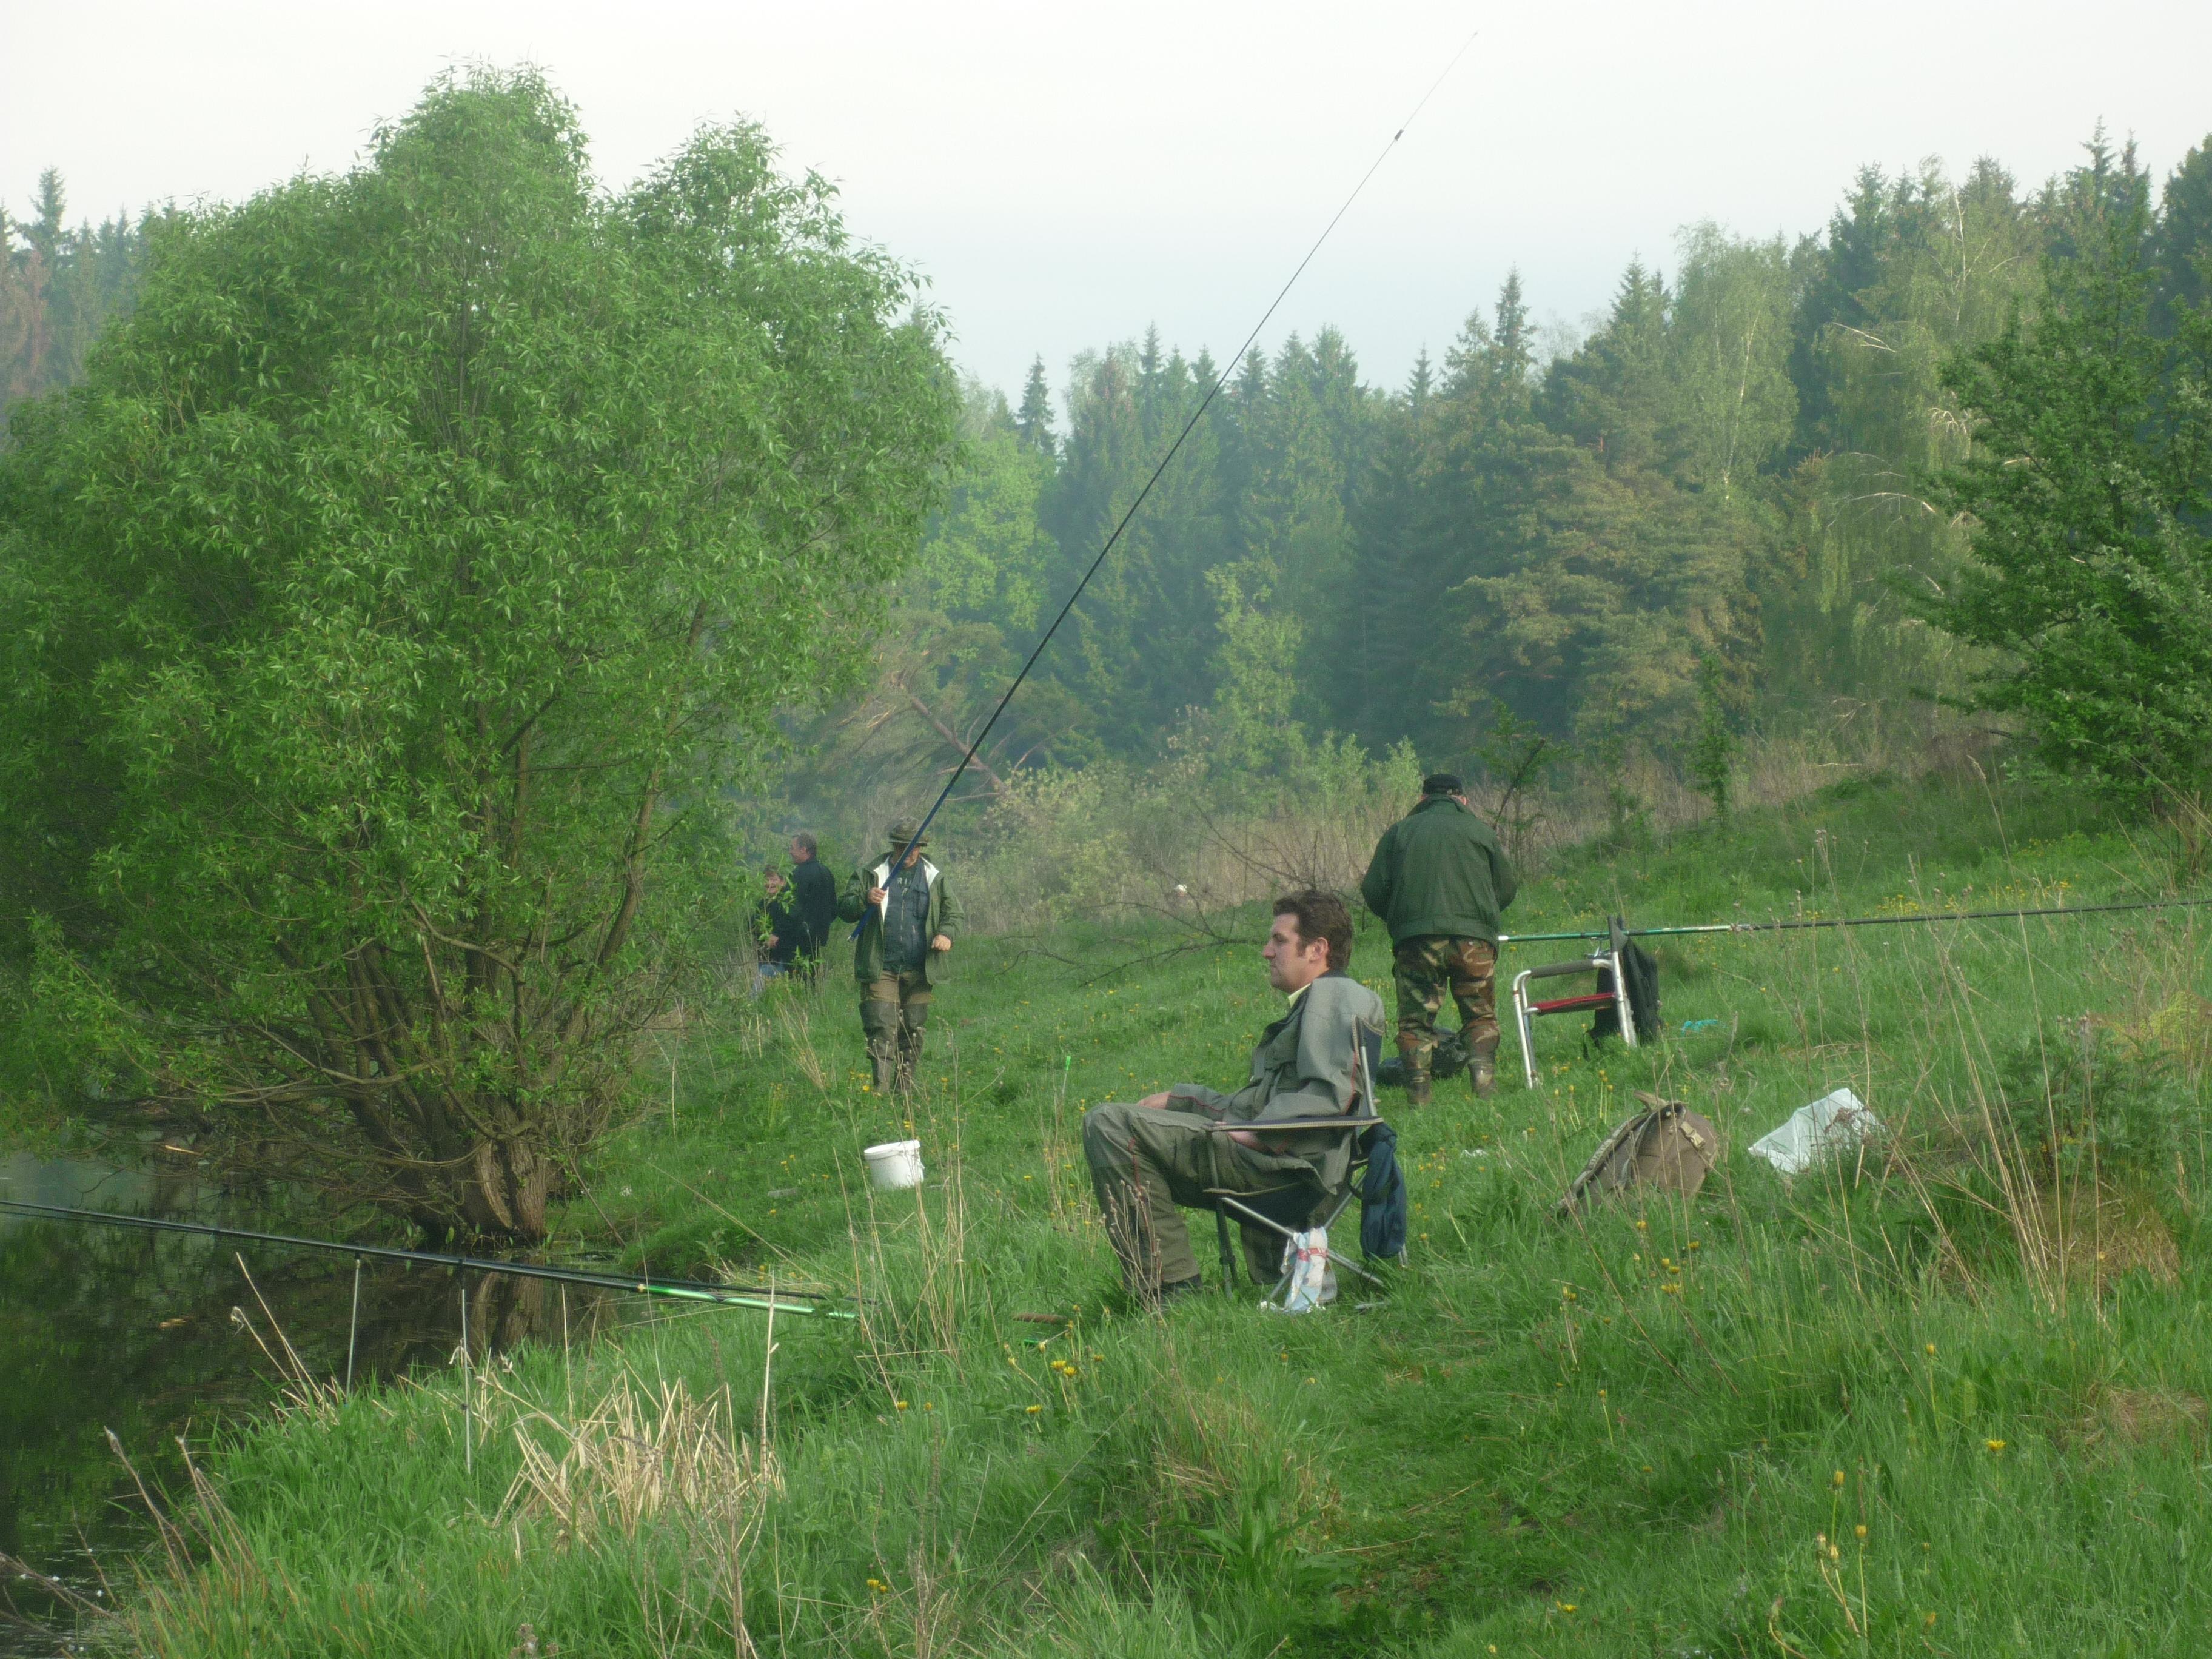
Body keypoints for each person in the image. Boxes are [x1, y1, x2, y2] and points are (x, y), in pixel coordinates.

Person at [1081, 890, 1384, 1305]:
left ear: (1317, 949)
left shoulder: (1336, 998)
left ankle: (1170, 1290)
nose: (1267, 951)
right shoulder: (1316, 1004)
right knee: (1124, 1122)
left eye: (1279, 941)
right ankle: (1170, 1284)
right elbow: (1254, 1106)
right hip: (1281, 1161)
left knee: (1109, 1124)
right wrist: (1181, 1100)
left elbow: (1330, 1097)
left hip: (1288, 1170)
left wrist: (1261, 1133)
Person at [1359, 772, 1518, 1104]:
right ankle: (1485, 1090)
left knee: (1415, 1023)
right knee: (1480, 1016)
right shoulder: (1480, 831)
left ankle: (1419, 1098)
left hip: (1416, 940)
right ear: (1463, 799)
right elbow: (1506, 888)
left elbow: (1373, 889)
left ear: (1422, 799)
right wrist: (1480, 918)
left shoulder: (1399, 832)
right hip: (1474, 941)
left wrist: (1403, 920)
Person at [836, 821, 963, 1094]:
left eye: (915, 847)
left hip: (921, 968)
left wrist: (946, 934)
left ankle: (904, 1090)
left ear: (921, 847)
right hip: (880, 965)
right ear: (894, 846)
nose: (909, 852)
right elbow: (844, 908)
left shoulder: (935, 877)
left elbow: (954, 914)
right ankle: (880, 1091)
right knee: (881, 1026)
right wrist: (865, 898)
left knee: (913, 1029)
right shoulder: (870, 873)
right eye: (903, 846)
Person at [786, 832, 837, 976]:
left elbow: (790, 908)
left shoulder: (797, 875)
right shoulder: (826, 873)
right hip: (817, 940)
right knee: (811, 977)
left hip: (796, 941)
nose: (790, 852)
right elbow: (833, 909)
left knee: (796, 977)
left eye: (792, 848)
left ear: (804, 849)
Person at [751, 865, 803, 997]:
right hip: (766, 955)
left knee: (762, 990)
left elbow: (790, 920)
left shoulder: (789, 900)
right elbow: (753, 923)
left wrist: (775, 934)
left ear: (783, 882)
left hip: (782, 956)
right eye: (767, 879)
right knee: (768, 991)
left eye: (774, 879)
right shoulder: (764, 902)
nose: (770, 883)